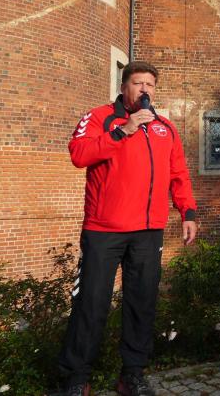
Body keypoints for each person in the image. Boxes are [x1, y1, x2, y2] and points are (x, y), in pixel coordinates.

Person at [59, 61, 198, 396]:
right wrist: (123, 130)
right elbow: (79, 154)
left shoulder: (165, 127)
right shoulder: (100, 117)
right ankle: (76, 378)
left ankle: (132, 375)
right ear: (124, 87)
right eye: (138, 83)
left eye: (150, 84)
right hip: (104, 229)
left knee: (141, 303)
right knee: (91, 303)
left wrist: (188, 212)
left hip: (148, 231)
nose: (145, 89)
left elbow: (178, 173)